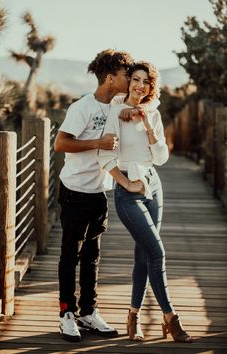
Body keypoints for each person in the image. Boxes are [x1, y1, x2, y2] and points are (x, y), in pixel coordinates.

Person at [98, 61, 193, 343]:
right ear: (129, 82)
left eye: (146, 81)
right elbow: (106, 157)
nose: (140, 85)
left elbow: (161, 158)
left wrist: (149, 126)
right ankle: (170, 317)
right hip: (128, 189)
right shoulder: (115, 112)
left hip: (153, 184)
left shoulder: (153, 113)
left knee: (144, 254)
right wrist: (126, 183)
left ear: (151, 87)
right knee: (157, 252)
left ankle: (133, 315)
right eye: (135, 79)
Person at [54, 49, 134, 342]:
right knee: (70, 255)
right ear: (110, 78)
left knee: (92, 256)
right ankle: (67, 314)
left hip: (99, 192)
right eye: (126, 75)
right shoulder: (82, 107)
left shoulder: (116, 105)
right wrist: (97, 142)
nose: (129, 79)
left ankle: (88, 312)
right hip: (75, 192)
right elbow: (60, 144)